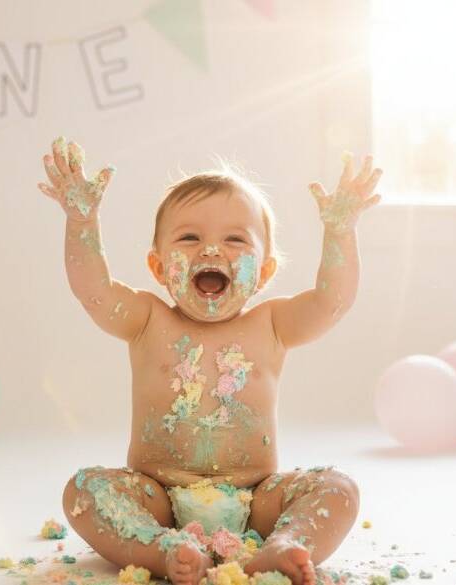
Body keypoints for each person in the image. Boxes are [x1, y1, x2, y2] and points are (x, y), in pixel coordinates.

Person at [37, 137, 382, 585]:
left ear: (264, 272)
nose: (212, 250)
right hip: (156, 499)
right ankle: (163, 551)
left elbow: (332, 301)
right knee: (85, 489)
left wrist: (340, 230)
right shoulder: (147, 319)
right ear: (159, 267)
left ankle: (281, 544)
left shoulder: (273, 324)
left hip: (256, 499)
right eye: (189, 238)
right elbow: (94, 290)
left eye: (235, 240)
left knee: (338, 489)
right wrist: (81, 220)